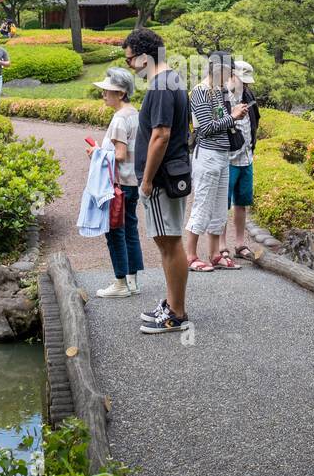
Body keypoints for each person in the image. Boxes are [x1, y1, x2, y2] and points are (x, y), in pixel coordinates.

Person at [124, 27, 192, 334]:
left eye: (129, 60)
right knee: (166, 242)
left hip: (163, 178)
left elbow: (160, 135)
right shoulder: (171, 79)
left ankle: (176, 313)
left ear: (143, 57)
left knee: (170, 242)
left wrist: (147, 179)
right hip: (169, 174)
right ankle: (171, 303)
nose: (129, 66)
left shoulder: (162, 86)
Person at [184, 50, 249, 272]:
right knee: (202, 205)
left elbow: (222, 121)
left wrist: (235, 113)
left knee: (220, 208)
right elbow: (206, 127)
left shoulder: (219, 91)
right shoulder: (201, 92)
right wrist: (233, 117)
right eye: (229, 71)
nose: (230, 76)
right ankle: (191, 256)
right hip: (207, 155)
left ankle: (214, 254)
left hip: (223, 155)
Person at [88, 68, 145, 298]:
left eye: (108, 92)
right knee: (130, 228)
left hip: (118, 184)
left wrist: (96, 152)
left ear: (121, 94)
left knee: (114, 231)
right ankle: (132, 280)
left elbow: (119, 154)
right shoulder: (135, 114)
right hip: (133, 182)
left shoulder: (120, 118)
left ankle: (120, 282)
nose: (104, 95)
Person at [225, 59, 260, 261]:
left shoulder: (248, 94)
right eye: (242, 79)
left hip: (246, 156)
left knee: (242, 202)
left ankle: (239, 244)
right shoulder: (223, 96)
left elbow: (255, 119)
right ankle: (221, 246)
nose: (245, 84)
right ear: (232, 75)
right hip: (228, 158)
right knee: (223, 203)